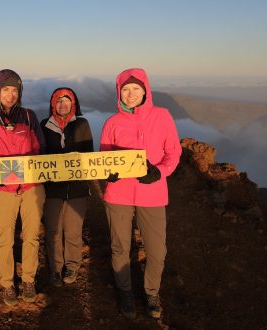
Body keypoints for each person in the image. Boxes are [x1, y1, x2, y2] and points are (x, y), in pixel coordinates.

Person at [99, 68, 181, 319]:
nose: (131, 94)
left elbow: (174, 152)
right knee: (120, 248)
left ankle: (151, 291)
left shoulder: (162, 116)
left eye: (136, 89)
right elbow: (104, 158)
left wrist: (160, 172)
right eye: (125, 89)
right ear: (119, 93)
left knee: (157, 251)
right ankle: (125, 291)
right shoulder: (113, 122)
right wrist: (108, 173)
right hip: (118, 194)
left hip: (152, 193)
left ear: (145, 90)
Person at [0, 69, 46, 307]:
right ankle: (7, 283)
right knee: (5, 239)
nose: (11, 94)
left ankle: (28, 280)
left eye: (15, 90)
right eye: (6, 89)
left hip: (32, 188)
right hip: (4, 191)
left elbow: (40, 150)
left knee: (32, 236)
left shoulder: (29, 116)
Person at [40, 87, 93, 287]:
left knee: (73, 230)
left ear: (74, 104)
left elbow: (88, 155)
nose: (63, 105)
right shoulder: (45, 125)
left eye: (67, 101)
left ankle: (72, 265)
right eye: (59, 101)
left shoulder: (82, 124)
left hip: (77, 188)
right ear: (53, 104)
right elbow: (40, 155)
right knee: (53, 229)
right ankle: (55, 268)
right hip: (52, 188)